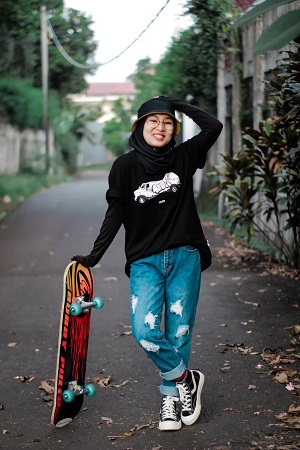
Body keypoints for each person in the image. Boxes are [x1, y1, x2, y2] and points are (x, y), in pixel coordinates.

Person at [72, 95, 223, 431]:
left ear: (175, 130)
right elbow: (116, 214)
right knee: (145, 330)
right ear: (139, 127)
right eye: (153, 121)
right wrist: (93, 256)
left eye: (168, 122)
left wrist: (174, 103)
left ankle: (170, 401)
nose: (161, 127)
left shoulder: (185, 156)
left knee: (179, 332)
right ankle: (187, 379)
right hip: (145, 262)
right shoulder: (125, 167)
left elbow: (214, 125)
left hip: (185, 256)